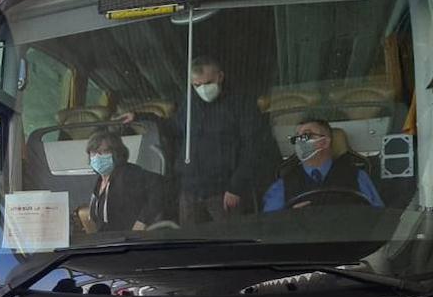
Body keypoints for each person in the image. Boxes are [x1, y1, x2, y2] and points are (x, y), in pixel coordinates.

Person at [124, 55, 277, 223]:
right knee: (191, 241)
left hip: (224, 191)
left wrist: (236, 187)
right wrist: (141, 116)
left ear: (220, 76)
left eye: (208, 83)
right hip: (190, 189)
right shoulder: (190, 103)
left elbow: (252, 147)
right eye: (197, 85)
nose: (203, 89)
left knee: (231, 240)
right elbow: (175, 128)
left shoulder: (241, 104)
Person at [262, 118, 383, 212]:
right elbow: (269, 225)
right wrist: (289, 216)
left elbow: (379, 217)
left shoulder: (357, 176)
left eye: (306, 135)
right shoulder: (282, 185)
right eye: (297, 137)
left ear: (325, 142)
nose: (300, 141)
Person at [83, 130, 166, 232]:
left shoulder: (128, 173)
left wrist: (142, 221)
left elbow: (160, 186)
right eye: (93, 153)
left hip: (129, 241)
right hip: (108, 240)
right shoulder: (101, 180)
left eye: (103, 152)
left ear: (116, 153)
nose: (97, 157)